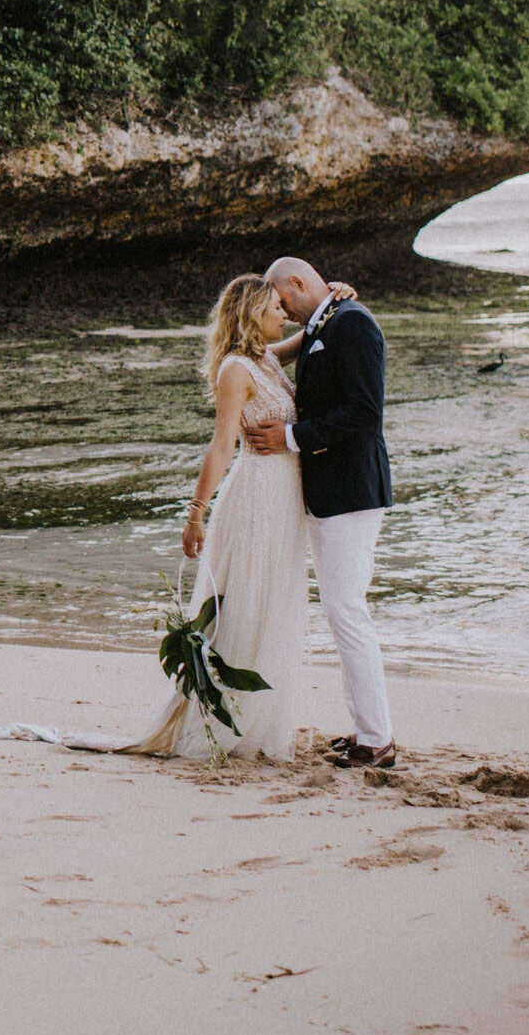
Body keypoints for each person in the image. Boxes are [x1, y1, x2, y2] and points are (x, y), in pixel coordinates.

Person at [112, 273, 323, 762]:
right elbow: (222, 446)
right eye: (275, 307)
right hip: (256, 500)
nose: (284, 314)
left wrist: (334, 298)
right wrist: (195, 514)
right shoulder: (235, 369)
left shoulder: (265, 358)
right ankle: (231, 721)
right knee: (249, 605)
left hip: (283, 501)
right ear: (252, 313)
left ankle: (259, 721)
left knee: (274, 606)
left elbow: (311, 332)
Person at [244, 255, 397, 770]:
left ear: (297, 282)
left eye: (282, 299)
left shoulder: (351, 323)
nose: (281, 310)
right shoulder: (322, 321)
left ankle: (376, 740)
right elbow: (269, 353)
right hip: (328, 493)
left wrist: (290, 437)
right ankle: (366, 730)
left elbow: (364, 413)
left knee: (347, 611)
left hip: (352, 492)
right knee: (341, 611)